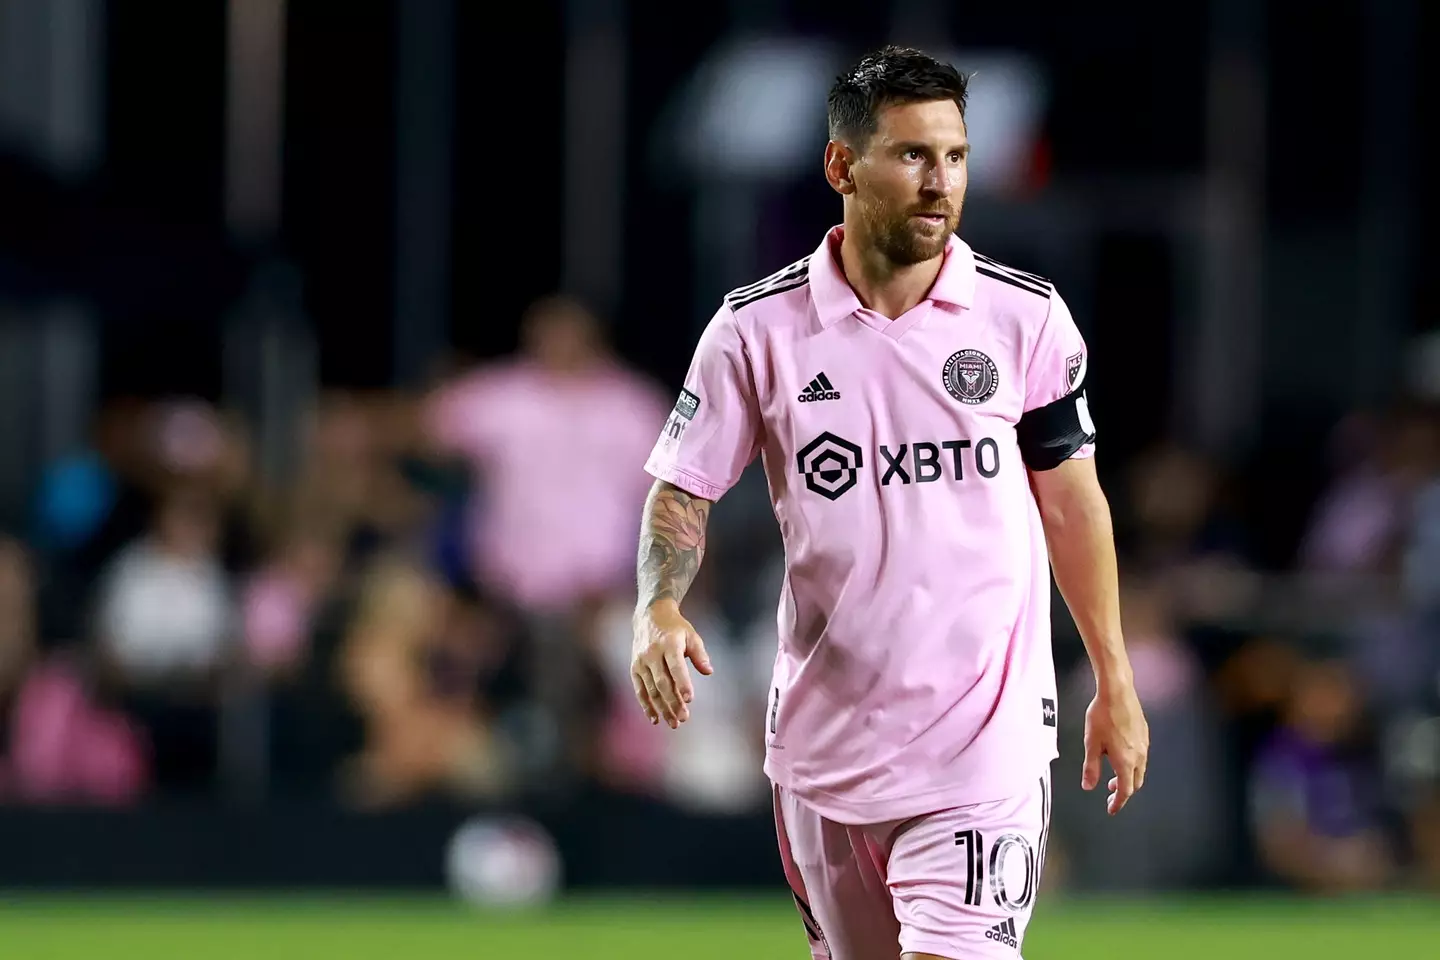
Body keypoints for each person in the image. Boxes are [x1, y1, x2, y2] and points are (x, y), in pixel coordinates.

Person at [631, 46, 1149, 960]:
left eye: (953, 157)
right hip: (827, 750)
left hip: (983, 746)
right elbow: (686, 487)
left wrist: (1113, 674)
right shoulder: (757, 330)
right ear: (842, 166)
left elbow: (1073, 504)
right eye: (911, 155)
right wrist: (658, 606)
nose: (939, 182)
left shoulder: (1024, 319)